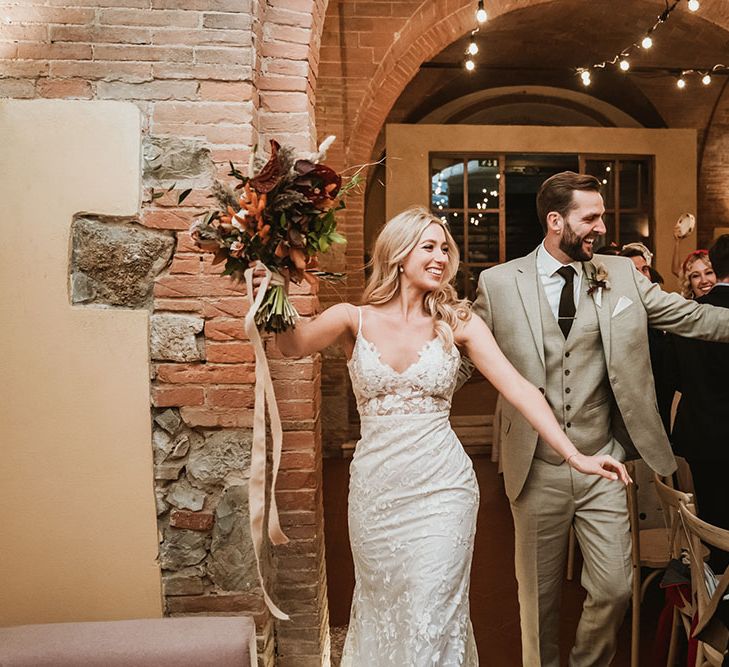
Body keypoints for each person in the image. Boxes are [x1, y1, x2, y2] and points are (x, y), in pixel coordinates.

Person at [253, 206, 629, 666]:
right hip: (378, 493)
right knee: (384, 607)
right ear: (398, 254)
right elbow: (291, 345)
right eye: (428, 247)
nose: (440, 257)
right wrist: (273, 285)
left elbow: (520, 389)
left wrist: (576, 456)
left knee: (432, 608)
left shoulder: (459, 323)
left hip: (443, 488)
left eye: (444, 248)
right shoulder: (352, 318)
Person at [463, 172, 729, 667]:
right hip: (536, 466)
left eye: (602, 216)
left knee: (614, 590)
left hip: (604, 461)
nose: (601, 227)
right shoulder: (498, 283)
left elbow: (689, 317)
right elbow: (467, 361)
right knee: (536, 603)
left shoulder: (620, 274)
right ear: (555, 220)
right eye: (591, 217)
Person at [667, 234, 729, 572]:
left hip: (702, 433)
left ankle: (716, 592)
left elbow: (674, 377)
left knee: (714, 519)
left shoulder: (683, 319)